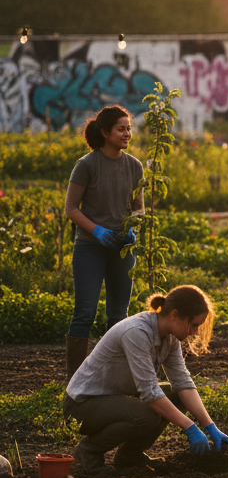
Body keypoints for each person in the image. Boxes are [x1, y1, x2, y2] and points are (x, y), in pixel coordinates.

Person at [64, 285, 228, 474]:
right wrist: (189, 427)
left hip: (114, 400)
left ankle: (130, 455)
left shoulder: (170, 339)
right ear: (175, 315)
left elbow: (182, 383)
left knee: (175, 396)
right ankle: (89, 452)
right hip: (82, 406)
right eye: (193, 325)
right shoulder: (137, 332)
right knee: (147, 416)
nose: (194, 332)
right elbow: (149, 391)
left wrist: (209, 426)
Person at [64, 105, 145, 380]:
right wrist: (97, 230)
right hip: (90, 247)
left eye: (128, 128)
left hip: (122, 249)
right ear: (105, 132)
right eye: (121, 129)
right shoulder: (87, 165)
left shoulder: (134, 165)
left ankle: (110, 376)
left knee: (118, 316)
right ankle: (75, 379)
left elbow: (139, 208)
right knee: (84, 312)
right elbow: (71, 208)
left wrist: (133, 227)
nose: (127, 134)